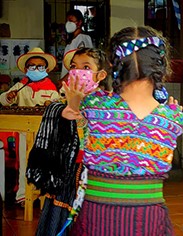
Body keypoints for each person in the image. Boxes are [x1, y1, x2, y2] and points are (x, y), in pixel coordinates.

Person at [61, 26, 183, 235]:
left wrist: (73, 100)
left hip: (98, 218)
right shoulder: (172, 118)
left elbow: (75, 108)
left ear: (113, 64)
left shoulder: (94, 105)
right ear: (160, 66)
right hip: (148, 218)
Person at [27, 47, 110, 236]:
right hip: (67, 172)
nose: (78, 71)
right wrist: (69, 106)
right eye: (74, 66)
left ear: (101, 75)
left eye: (86, 67)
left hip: (93, 176)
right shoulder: (62, 103)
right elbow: (68, 126)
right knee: (60, 220)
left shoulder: (107, 105)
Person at [0, 47, 59, 206]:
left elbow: (57, 105)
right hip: (24, 134)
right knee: (24, 163)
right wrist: (8, 96)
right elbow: (3, 100)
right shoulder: (21, 86)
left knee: (43, 164)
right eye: (32, 66)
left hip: (45, 134)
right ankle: (23, 196)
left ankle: (42, 196)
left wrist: (51, 104)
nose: (36, 69)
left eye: (40, 66)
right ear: (26, 69)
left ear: (46, 69)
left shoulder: (51, 88)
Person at [60, 9, 94, 80]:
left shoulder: (83, 38)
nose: (68, 23)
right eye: (67, 21)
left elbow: (83, 63)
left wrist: (64, 79)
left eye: (71, 21)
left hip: (77, 79)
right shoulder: (73, 39)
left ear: (79, 23)